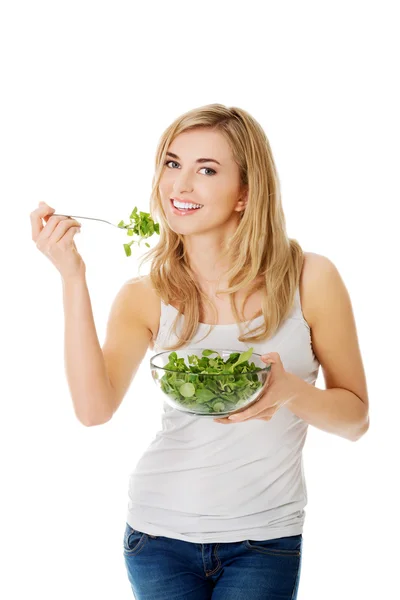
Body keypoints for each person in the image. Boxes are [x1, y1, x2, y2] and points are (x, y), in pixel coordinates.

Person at [30, 103, 370, 599]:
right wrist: (72, 276)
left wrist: (289, 391)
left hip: (265, 537)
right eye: (172, 164)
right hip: (158, 534)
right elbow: (93, 409)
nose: (179, 186)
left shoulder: (309, 278)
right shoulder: (146, 294)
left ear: (244, 194)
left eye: (205, 170)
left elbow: (356, 419)